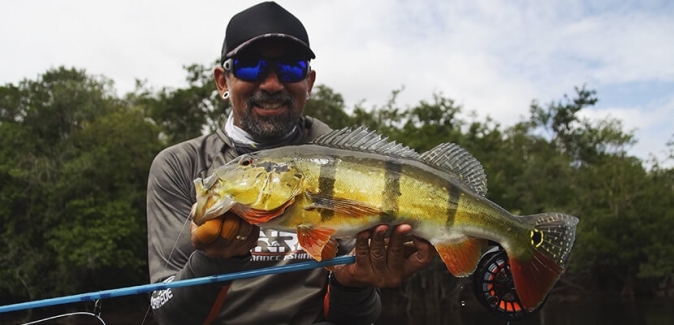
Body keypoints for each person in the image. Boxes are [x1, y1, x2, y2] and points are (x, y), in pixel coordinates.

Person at [146, 2, 436, 324]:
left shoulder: (347, 166)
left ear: (308, 82)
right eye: (251, 66)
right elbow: (166, 313)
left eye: (291, 67)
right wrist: (213, 261)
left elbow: (358, 318)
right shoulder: (180, 165)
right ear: (222, 81)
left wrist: (352, 284)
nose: (271, 84)